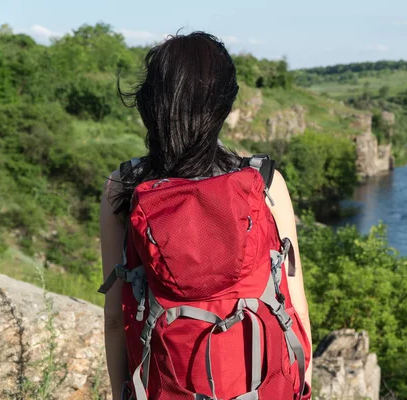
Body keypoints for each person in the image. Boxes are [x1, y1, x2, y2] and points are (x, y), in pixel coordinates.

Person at [99, 31, 312, 400]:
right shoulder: (264, 183)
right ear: (223, 105)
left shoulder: (125, 188)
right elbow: (294, 303)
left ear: (151, 102)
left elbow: (116, 319)